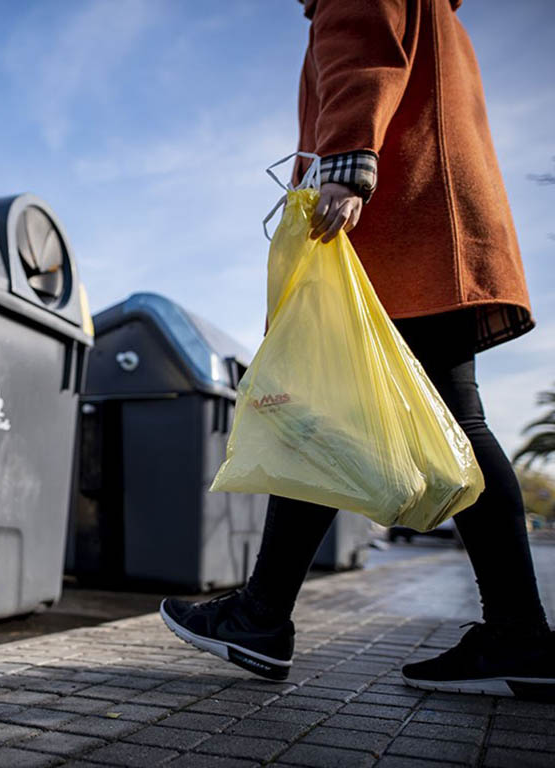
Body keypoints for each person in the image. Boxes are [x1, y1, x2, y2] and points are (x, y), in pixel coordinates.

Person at [160, 0, 554, 696]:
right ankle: (512, 633)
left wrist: (347, 163)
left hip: (402, 219)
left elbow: (361, 49)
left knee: (346, 414)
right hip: (435, 215)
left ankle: (264, 617)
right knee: (370, 416)